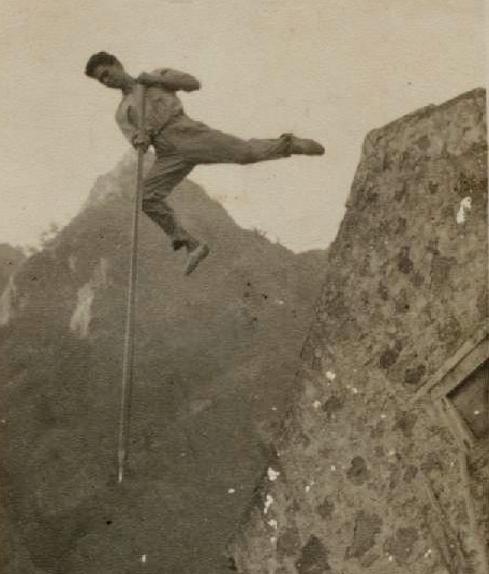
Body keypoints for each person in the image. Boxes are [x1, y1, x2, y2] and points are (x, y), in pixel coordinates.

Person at [85, 51, 324, 275]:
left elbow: (193, 84)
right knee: (147, 198)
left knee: (245, 154)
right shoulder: (122, 113)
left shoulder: (155, 77)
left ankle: (288, 144)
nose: (106, 81)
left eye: (106, 73)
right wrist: (140, 140)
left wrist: (156, 79)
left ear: (117, 65)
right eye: (101, 80)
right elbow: (139, 144)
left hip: (188, 134)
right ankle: (192, 245)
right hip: (167, 153)